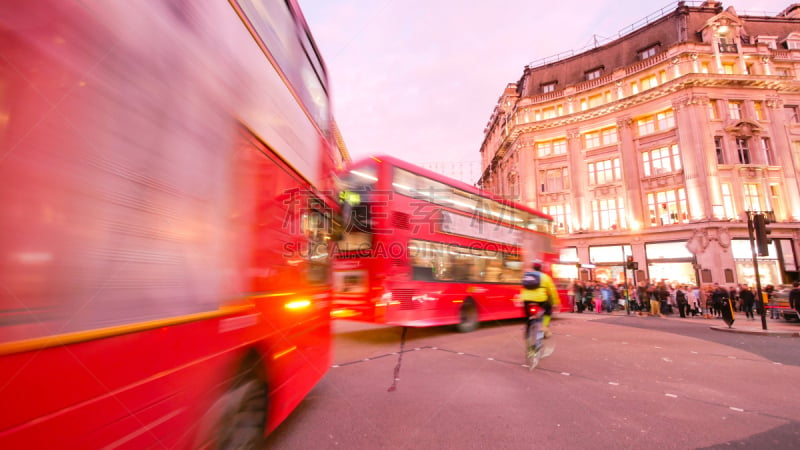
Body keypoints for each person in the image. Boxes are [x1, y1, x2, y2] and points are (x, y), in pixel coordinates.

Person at [520, 261, 560, 338]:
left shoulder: (527, 276)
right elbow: (552, 291)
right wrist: (556, 303)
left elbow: (523, 288)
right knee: (548, 308)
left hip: (526, 299)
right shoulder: (545, 277)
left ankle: (528, 335)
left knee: (528, 318)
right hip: (540, 299)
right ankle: (544, 327)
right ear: (541, 268)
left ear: (533, 267)